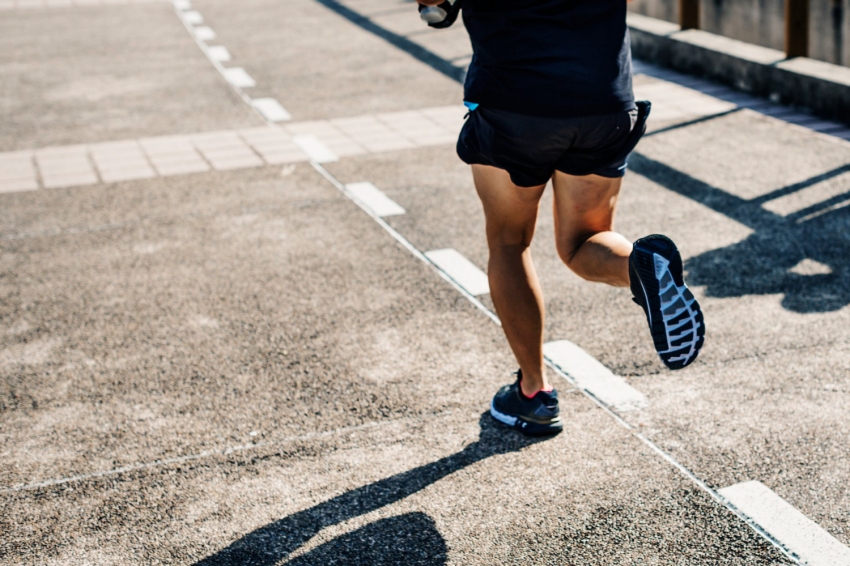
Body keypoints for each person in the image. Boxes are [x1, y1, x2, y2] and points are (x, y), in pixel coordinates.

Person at [417, 0, 705, 436]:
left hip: (513, 101)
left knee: (509, 242)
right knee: (585, 239)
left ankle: (534, 394)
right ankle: (639, 266)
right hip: (603, 100)